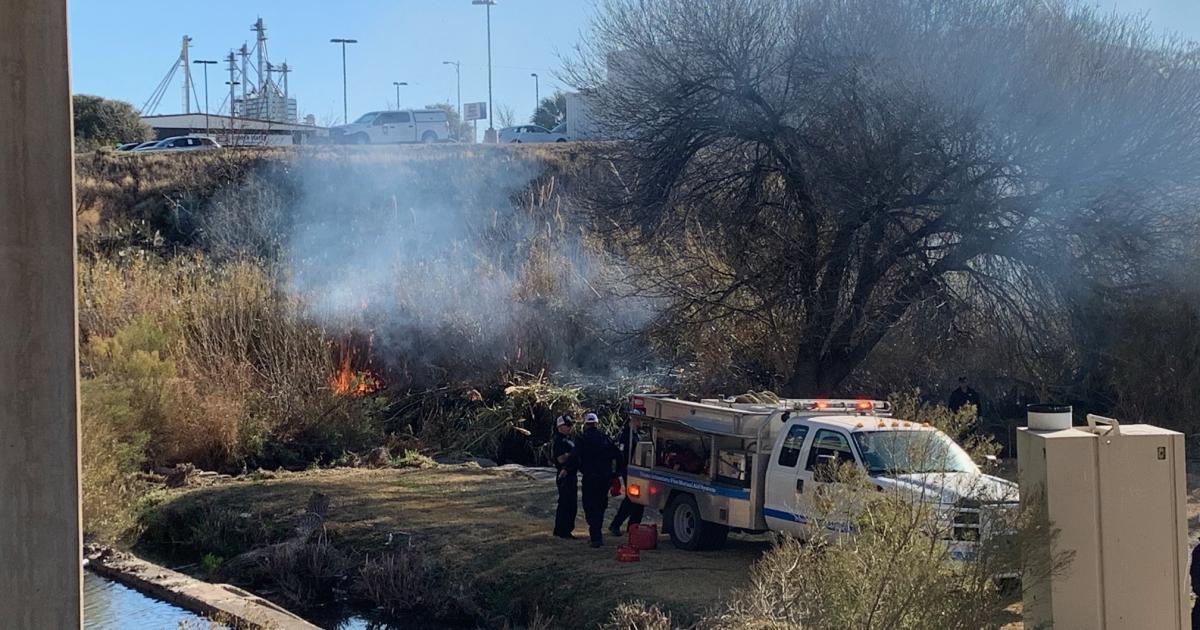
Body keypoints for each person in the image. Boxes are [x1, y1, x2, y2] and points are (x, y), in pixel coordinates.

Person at [574, 412, 619, 548]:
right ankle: (596, 535)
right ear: (597, 423)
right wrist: (615, 474)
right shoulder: (605, 438)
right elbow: (618, 454)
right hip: (604, 478)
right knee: (600, 506)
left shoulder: (582, 439)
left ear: (586, 424)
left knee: (589, 506)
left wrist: (570, 469)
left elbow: (575, 456)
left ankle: (595, 536)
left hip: (590, 478)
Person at [609, 415, 645, 536]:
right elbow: (621, 454)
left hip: (635, 470)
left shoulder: (635, 434)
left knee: (639, 500)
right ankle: (617, 524)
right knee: (632, 499)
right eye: (639, 419)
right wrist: (618, 472)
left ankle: (633, 526)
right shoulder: (626, 435)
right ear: (633, 420)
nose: (641, 422)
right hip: (628, 470)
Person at [551, 415, 579, 539]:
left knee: (569, 503)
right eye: (567, 425)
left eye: (570, 425)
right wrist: (573, 454)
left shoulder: (568, 439)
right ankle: (563, 531)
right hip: (565, 475)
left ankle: (563, 529)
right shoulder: (559, 441)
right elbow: (560, 459)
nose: (569, 427)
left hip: (571, 475)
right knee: (566, 503)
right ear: (560, 427)